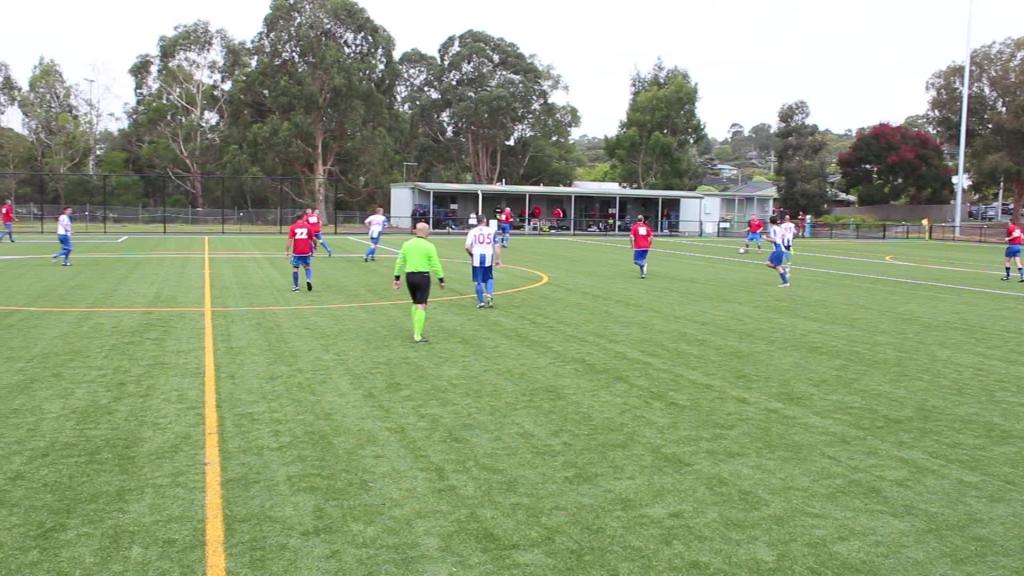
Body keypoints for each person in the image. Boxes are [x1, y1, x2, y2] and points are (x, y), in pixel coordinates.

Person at [393, 222, 446, 343]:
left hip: (409, 276)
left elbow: (400, 261)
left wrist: (396, 278)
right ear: (426, 232)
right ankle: (417, 335)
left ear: (415, 231)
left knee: (415, 302)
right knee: (422, 304)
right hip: (423, 277)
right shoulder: (429, 246)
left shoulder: (407, 244)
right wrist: (441, 279)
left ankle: (416, 329)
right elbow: (435, 264)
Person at [465, 219, 502, 308]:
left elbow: (467, 246)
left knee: (478, 281)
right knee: (489, 277)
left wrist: (472, 254)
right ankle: (489, 295)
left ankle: (481, 302)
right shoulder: (492, 230)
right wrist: (498, 259)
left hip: (477, 256)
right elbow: (497, 246)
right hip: (488, 256)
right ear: (485, 221)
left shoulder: (472, 231)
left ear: (477, 221)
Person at [286, 213, 317, 292]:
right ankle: (308, 279)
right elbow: (313, 238)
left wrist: (287, 250)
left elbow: (290, 240)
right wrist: (315, 246)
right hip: (306, 251)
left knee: (295, 268)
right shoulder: (308, 226)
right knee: (307, 267)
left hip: (297, 252)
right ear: (303, 218)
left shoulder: (293, 227)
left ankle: (296, 287)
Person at [766, 215, 790, 287]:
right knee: (768, 263)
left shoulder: (773, 229)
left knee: (777, 266)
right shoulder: (778, 228)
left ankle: (785, 282)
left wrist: (765, 238)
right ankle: (784, 270)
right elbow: (783, 235)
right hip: (776, 249)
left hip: (778, 249)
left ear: (770, 222)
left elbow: (774, 240)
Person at [630, 215, 654, 279]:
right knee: (642, 260)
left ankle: (643, 265)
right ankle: (642, 274)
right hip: (646, 247)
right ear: (643, 220)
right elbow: (651, 237)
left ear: (637, 220)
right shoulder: (646, 227)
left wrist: (632, 245)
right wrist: (650, 245)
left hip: (638, 247)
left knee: (636, 261)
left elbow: (631, 237)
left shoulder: (634, 227)